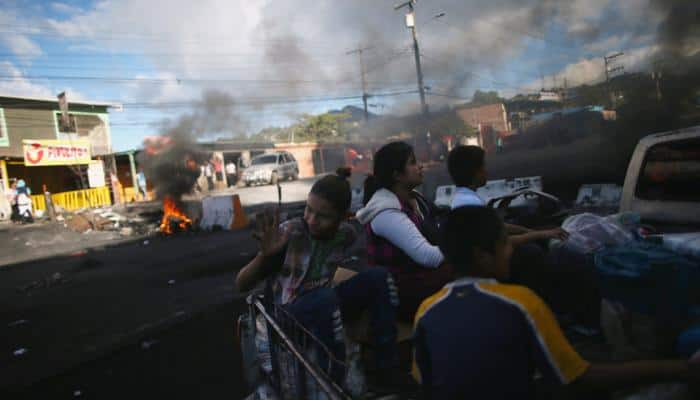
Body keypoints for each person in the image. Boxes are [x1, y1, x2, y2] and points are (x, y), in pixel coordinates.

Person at [413, 206, 699, 399]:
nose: (511, 249)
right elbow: (580, 377)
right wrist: (679, 369)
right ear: (482, 256)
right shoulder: (520, 303)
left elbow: (425, 384)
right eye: (505, 243)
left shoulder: (426, 311)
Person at [235, 168, 400, 390]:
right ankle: (334, 383)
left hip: (324, 304)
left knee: (380, 278)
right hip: (289, 315)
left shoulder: (346, 235)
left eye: (322, 216)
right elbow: (241, 284)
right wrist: (266, 256)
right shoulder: (289, 233)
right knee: (325, 298)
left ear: (343, 217)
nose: (312, 220)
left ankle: (386, 368)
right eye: (308, 210)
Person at [446, 144, 600, 326]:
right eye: (483, 168)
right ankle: (560, 315)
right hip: (494, 262)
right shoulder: (468, 203)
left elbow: (498, 227)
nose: (486, 172)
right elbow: (501, 241)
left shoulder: (466, 198)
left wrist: (532, 231)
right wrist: (540, 235)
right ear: (475, 172)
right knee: (537, 254)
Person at [356, 142, 451, 322]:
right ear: (397, 175)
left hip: (421, 280)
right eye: (413, 163)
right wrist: (467, 248)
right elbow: (428, 256)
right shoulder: (386, 212)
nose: (420, 166)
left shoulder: (414, 200)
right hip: (403, 293)